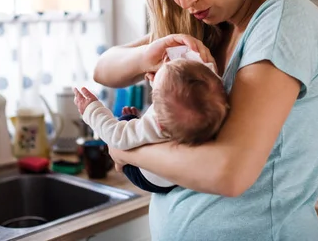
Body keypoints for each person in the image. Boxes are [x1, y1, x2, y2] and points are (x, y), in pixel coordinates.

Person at [93, 0, 318, 240]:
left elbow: (229, 174)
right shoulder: (208, 25)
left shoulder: (281, 24)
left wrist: (126, 148)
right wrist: (148, 54)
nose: (185, 0)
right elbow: (103, 68)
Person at [73, 45, 229, 194]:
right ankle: (133, 118)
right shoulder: (209, 105)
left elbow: (115, 135)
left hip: (147, 176)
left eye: (154, 89)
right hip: (175, 170)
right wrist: (171, 71)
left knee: (126, 128)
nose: (150, 77)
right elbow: (202, 79)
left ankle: (130, 120)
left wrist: (91, 109)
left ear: (159, 124)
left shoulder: (154, 124)